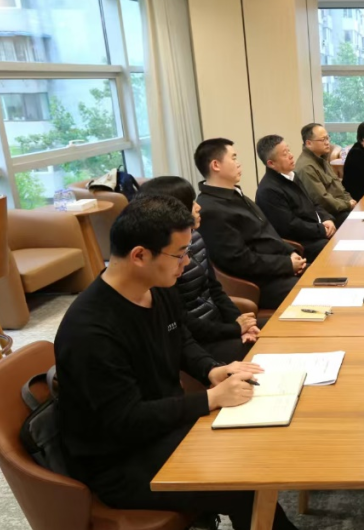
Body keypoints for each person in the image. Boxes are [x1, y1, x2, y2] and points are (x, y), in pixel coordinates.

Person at [54, 197, 364, 530]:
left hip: (160, 424)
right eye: (179, 253)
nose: (187, 262)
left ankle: (212, 517)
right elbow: (124, 420)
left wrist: (211, 369)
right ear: (139, 255)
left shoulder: (156, 287)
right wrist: (210, 399)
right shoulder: (90, 331)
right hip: (120, 458)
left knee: (259, 432)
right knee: (242, 482)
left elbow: (181, 339)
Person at [135, 176, 259, 364]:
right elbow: (183, 322)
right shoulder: (160, 262)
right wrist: (234, 329)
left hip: (219, 327)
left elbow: (214, 288)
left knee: (272, 331)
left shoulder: (197, 237)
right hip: (198, 343)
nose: (198, 207)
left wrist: (240, 322)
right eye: (191, 203)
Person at [193, 138, 306, 310]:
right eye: (233, 158)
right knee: (319, 292)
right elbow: (239, 260)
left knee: (327, 278)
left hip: (278, 268)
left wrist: (290, 253)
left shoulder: (234, 194)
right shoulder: (210, 209)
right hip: (260, 283)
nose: (238, 163)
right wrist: (286, 264)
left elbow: (267, 233)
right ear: (216, 165)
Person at [255, 134, 335, 262]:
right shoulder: (269, 190)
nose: (291, 155)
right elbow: (290, 226)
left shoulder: (292, 176)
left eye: (289, 150)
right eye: (285, 154)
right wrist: (321, 229)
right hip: (298, 243)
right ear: (271, 163)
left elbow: (313, 202)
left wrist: (326, 218)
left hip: (314, 230)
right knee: (331, 247)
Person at [295, 122, 356, 227]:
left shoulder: (321, 159)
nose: (327, 143)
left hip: (340, 208)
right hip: (328, 215)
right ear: (309, 143)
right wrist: (347, 204)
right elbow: (322, 199)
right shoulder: (306, 167)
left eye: (328, 138)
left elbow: (338, 186)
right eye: (323, 140)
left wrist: (349, 200)